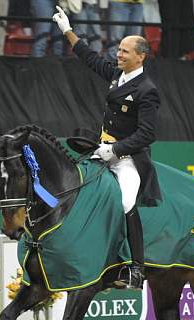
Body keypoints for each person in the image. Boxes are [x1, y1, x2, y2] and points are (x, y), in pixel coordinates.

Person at [53, 5, 162, 289]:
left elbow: (147, 134)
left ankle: (137, 269)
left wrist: (115, 151)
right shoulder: (117, 76)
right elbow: (90, 59)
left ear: (140, 56)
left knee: (126, 202)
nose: (119, 53)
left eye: (125, 51)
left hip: (128, 159)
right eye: (119, 49)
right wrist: (67, 31)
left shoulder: (147, 90)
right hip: (102, 151)